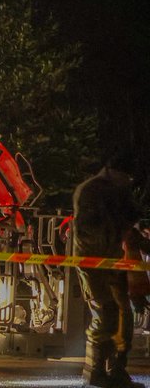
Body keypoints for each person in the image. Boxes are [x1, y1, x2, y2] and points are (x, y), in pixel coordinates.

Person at [73, 157, 145, 388]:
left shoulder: (117, 189)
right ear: (114, 172)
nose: (129, 181)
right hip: (93, 261)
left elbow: (129, 219)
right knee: (104, 311)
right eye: (127, 177)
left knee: (123, 313)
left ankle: (116, 369)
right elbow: (94, 228)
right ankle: (95, 371)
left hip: (111, 260)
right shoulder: (92, 190)